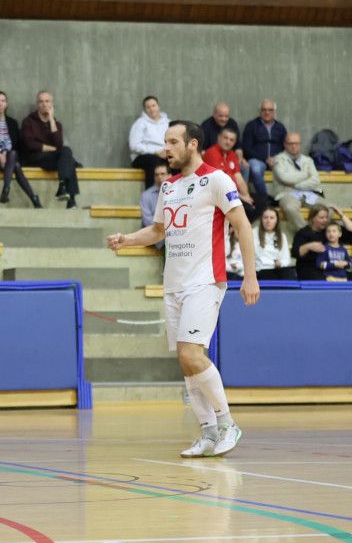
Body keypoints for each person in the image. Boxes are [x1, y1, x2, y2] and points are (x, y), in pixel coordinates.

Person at [108, 120, 259, 458]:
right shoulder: (169, 186)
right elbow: (158, 230)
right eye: (165, 142)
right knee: (185, 361)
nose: (166, 148)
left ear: (193, 144)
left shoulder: (216, 179)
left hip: (204, 281)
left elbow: (242, 226)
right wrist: (126, 240)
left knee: (192, 354)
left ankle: (227, 424)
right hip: (173, 284)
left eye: (173, 141)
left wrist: (250, 276)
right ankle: (207, 432)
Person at [20, 90, 79, 208]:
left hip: (51, 160)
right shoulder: (28, 121)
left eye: (47, 101)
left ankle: (63, 187)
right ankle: (71, 199)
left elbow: (59, 145)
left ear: (52, 104)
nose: (44, 104)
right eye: (41, 101)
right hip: (35, 158)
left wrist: (51, 119)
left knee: (66, 152)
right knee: (69, 160)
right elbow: (30, 144)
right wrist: (50, 148)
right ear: (37, 104)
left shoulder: (57, 124)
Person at [272, 132, 325, 232]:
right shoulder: (278, 159)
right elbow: (284, 178)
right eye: (290, 143)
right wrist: (306, 174)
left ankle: (316, 232)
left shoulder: (308, 160)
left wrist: (296, 185)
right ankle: (307, 233)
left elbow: (315, 181)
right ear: (285, 144)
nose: (293, 146)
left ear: (300, 144)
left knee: (328, 208)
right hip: (287, 194)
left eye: (296, 143)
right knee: (289, 208)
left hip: (308, 193)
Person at [202, 126, 257, 220]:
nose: (228, 142)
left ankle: (235, 226)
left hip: (233, 193)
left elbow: (239, 178)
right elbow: (222, 184)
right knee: (249, 209)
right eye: (225, 138)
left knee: (262, 201)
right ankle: (233, 227)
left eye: (231, 140)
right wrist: (241, 198)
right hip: (219, 193)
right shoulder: (211, 153)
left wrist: (247, 196)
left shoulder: (232, 154)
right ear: (219, 137)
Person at [242, 99, 287, 206]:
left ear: (274, 112)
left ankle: (285, 199)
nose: (267, 112)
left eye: (270, 110)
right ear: (260, 111)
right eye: (264, 110)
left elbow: (285, 147)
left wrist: (276, 159)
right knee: (255, 169)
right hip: (257, 161)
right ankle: (266, 200)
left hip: (276, 160)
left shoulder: (280, 127)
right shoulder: (251, 126)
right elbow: (247, 149)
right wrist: (265, 159)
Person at [291, 204, 352, 281]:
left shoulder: (330, 231)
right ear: (312, 218)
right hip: (310, 270)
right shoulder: (303, 233)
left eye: (326, 217)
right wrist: (309, 246)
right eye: (321, 218)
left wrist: (341, 215)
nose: (325, 220)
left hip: (332, 270)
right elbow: (295, 253)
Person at [129, 95, 170, 188]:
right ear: (145, 110)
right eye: (148, 107)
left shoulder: (167, 123)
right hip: (143, 157)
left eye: (153, 105)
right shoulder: (140, 123)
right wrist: (155, 152)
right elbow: (134, 145)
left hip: (164, 154)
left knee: (176, 161)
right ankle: (151, 193)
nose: (151, 109)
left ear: (158, 106)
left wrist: (167, 152)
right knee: (154, 162)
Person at [253, 207, 296, 281]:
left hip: (277, 269)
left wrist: (280, 263)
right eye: (265, 218)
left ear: (276, 220)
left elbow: (286, 258)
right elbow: (256, 257)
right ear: (261, 220)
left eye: (272, 218)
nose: (268, 221)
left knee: (290, 273)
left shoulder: (282, 236)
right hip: (261, 270)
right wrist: (272, 262)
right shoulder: (253, 233)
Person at [200, 102, 244, 167]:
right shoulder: (205, 126)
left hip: (229, 157)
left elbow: (238, 147)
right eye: (221, 116)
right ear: (214, 114)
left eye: (226, 116)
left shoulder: (232, 124)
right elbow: (202, 151)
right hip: (212, 158)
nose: (224, 119)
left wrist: (240, 160)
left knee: (244, 167)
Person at [140, 162, 169, 249]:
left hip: (171, 235)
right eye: (156, 175)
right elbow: (147, 221)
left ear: (169, 175)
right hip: (155, 235)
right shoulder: (146, 195)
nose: (159, 177)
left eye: (162, 174)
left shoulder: (176, 192)